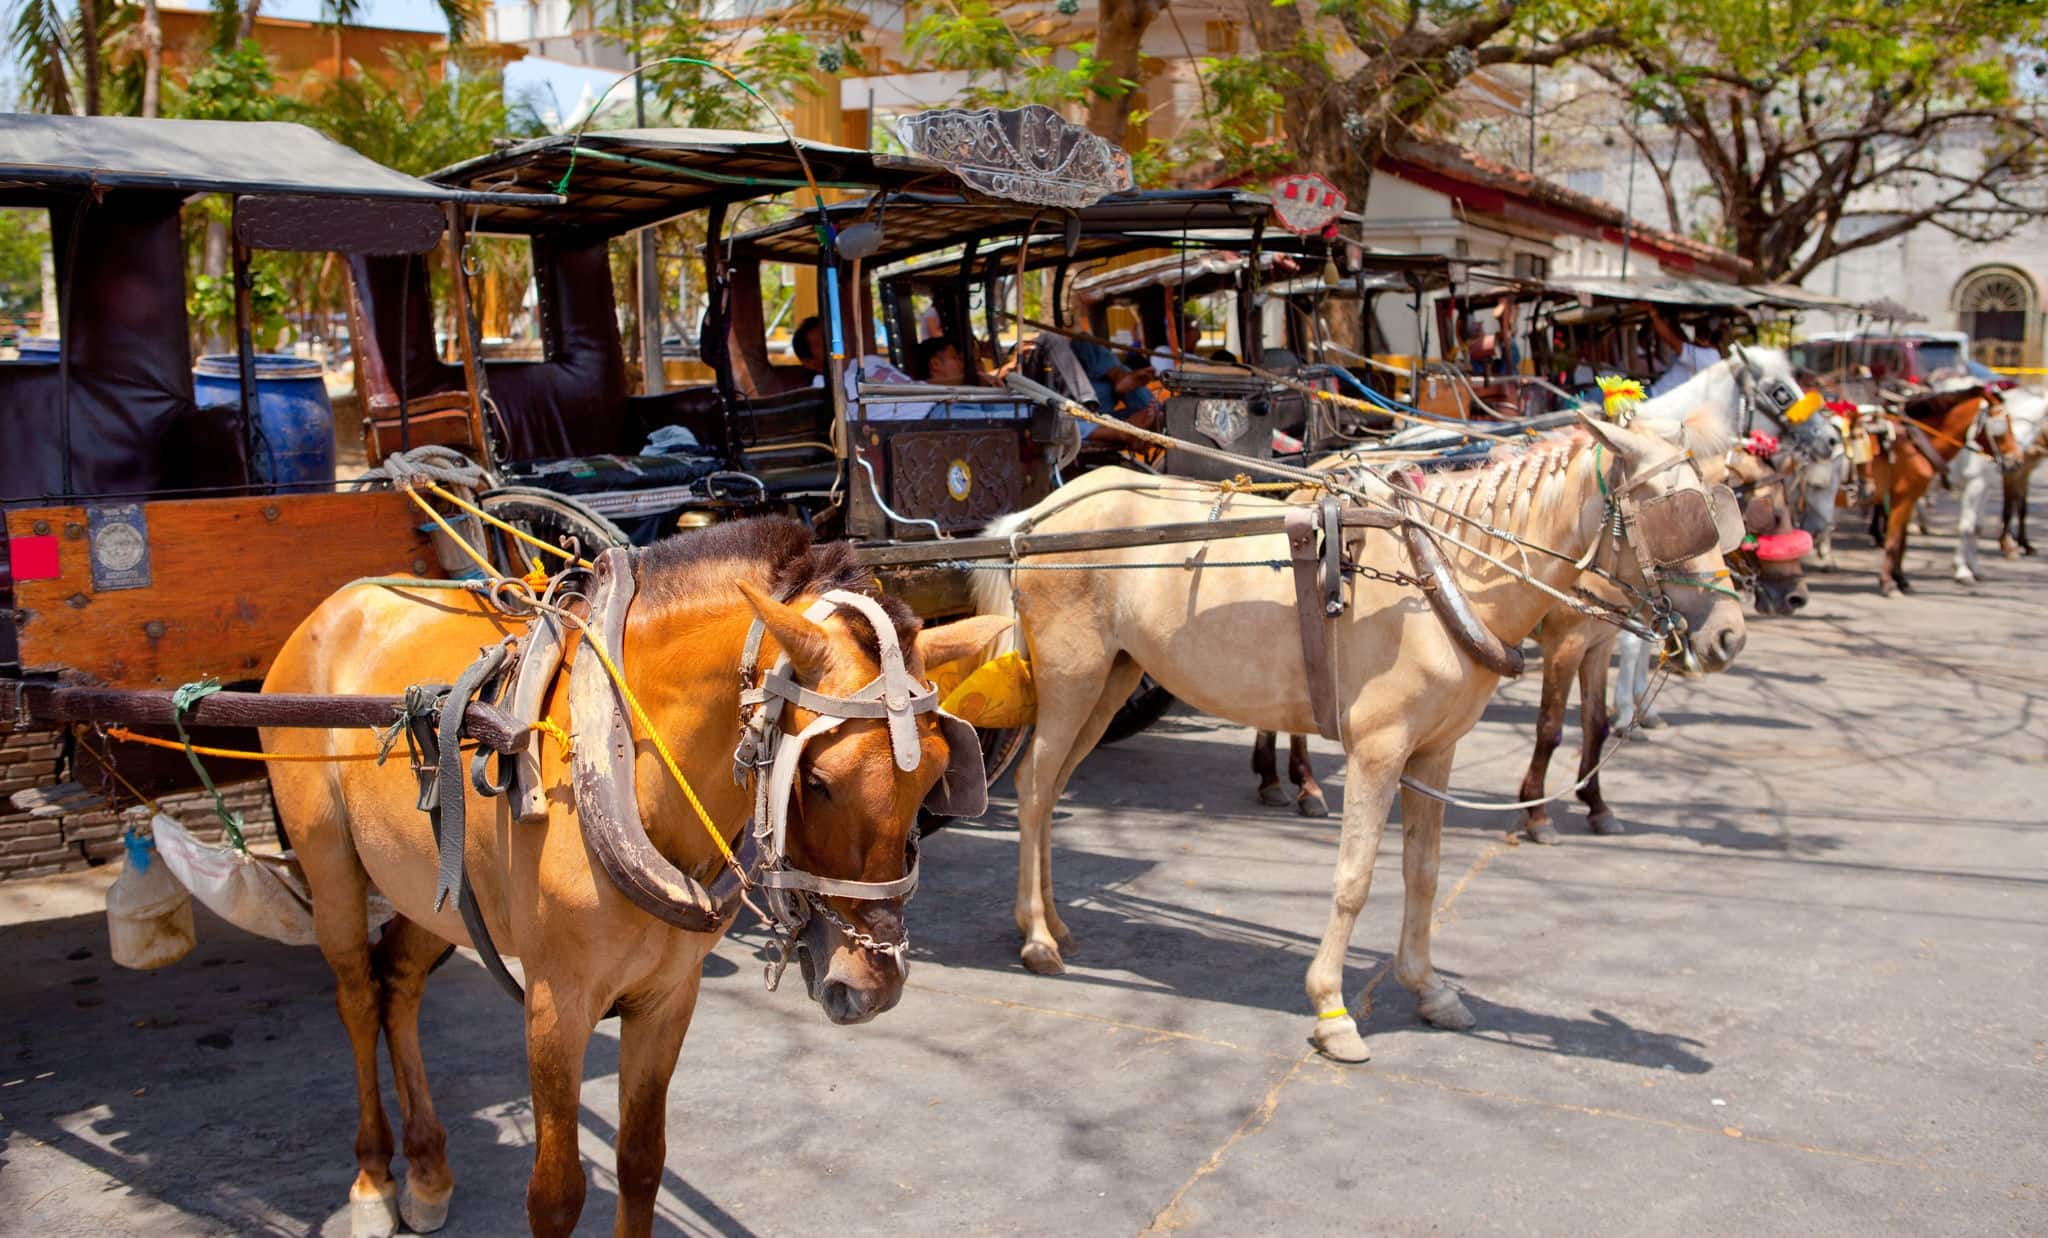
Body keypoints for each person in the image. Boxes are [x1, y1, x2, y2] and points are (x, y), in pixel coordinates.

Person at [1645, 307, 1721, 397]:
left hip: (1659, 399)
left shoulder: (1709, 356)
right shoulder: (1702, 352)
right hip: (1657, 395)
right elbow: (1679, 336)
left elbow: (1671, 340)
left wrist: (1653, 313)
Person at [792, 316, 826, 385]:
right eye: (824, 343)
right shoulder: (821, 386)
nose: (836, 343)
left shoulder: (853, 363)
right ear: (809, 363)